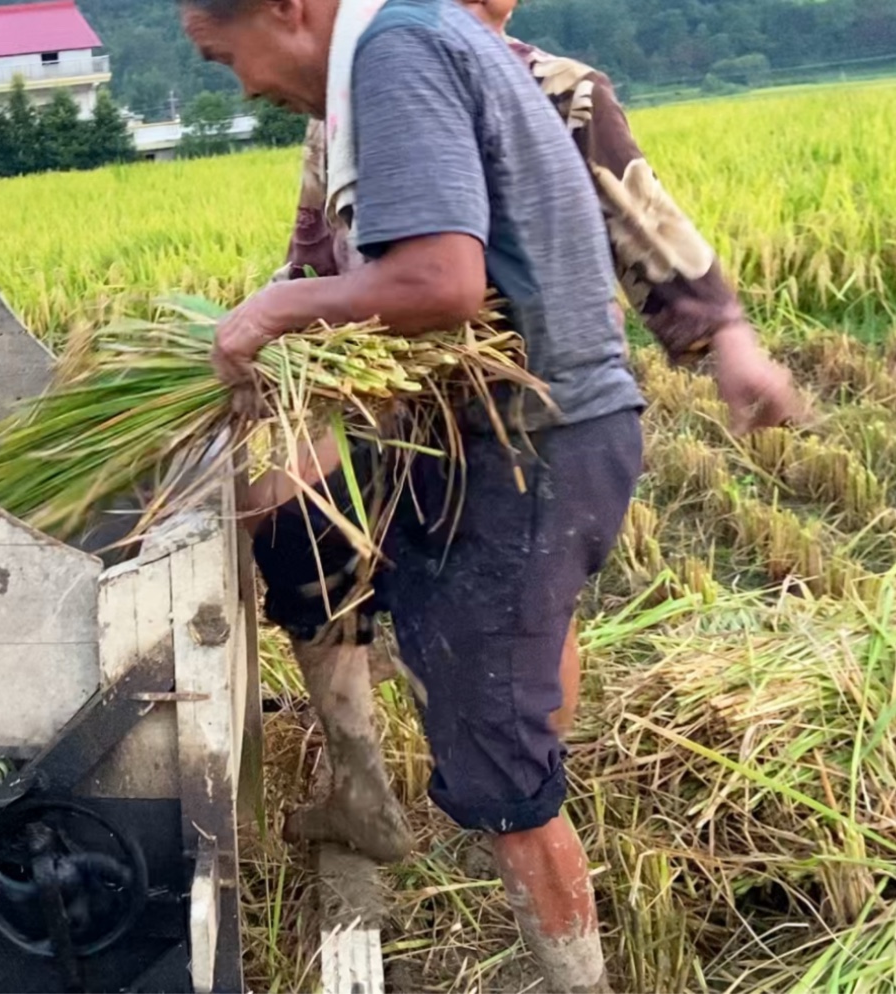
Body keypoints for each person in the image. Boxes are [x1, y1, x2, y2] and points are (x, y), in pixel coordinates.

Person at [176, 0, 664, 988]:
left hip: (532, 447)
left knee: (497, 759)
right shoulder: (421, 39)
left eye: (228, 57)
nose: (244, 86)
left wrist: (275, 310)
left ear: (287, 9)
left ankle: (577, 977)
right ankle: (374, 802)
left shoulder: (396, 47)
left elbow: (437, 281)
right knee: (310, 545)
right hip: (521, 435)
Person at [257, 0, 806, 843]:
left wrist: (726, 336)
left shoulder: (559, 90)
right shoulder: (352, 100)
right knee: (301, 542)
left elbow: (645, 223)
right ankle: (360, 790)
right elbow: (309, 253)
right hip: (393, 408)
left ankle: (522, 794)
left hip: (524, 420)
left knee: (515, 627)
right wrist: (265, 347)